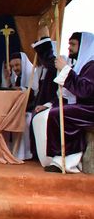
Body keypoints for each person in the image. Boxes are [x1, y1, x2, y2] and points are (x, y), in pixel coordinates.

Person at [32, 30, 94, 173]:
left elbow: (85, 90)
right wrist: (48, 104)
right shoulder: (81, 64)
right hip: (83, 106)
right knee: (42, 116)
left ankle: (66, 161)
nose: (69, 48)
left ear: (84, 45)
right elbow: (68, 93)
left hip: (90, 108)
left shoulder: (92, 65)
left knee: (59, 114)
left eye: (73, 44)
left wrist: (65, 70)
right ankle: (51, 158)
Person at [0, 52, 38, 160]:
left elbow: (34, 93)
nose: (15, 68)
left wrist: (22, 89)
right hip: (18, 110)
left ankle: (24, 153)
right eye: (12, 66)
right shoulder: (17, 77)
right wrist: (8, 82)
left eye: (17, 65)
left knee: (24, 120)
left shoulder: (33, 74)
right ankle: (8, 151)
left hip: (31, 109)